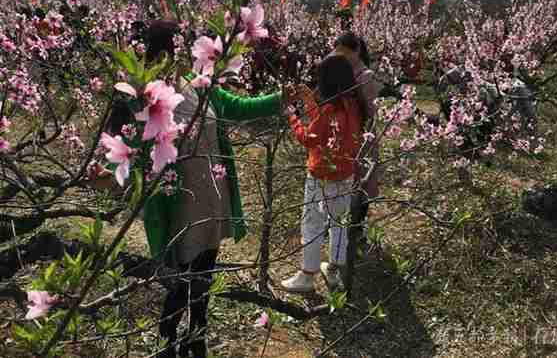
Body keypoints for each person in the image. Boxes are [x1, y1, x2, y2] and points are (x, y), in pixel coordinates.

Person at [92, 20, 285, 358]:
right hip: (175, 203)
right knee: (179, 280)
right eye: (175, 48)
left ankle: (197, 336)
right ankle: (167, 339)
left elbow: (238, 108)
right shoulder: (139, 97)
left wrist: (280, 98)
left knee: (205, 273)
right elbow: (121, 145)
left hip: (211, 194)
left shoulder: (198, 83)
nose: (182, 54)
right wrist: (108, 173)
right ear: (158, 54)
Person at [281, 55, 364, 293]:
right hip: (345, 174)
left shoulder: (329, 108)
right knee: (339, 222)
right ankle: (334, 271)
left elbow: (309, 138)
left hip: (321, 175)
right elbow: (325, 125)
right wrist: (309, 101)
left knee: (312, 223)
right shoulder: (352, 105)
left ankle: (307, 275)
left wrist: (292, 116)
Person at [332, 33, 383, 240]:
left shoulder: (365, 75)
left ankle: (356, 229)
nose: (341, 58)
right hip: (343, 134)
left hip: (361, 136)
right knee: (344, 181)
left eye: (344, 53)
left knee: (361, 182)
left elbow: (371, 112)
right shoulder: (345, 71)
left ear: (357, 51)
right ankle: (342, 227)